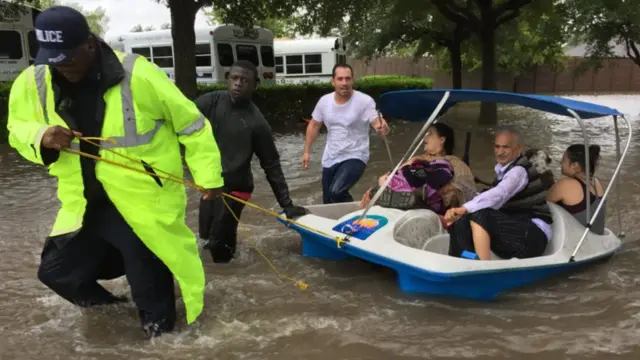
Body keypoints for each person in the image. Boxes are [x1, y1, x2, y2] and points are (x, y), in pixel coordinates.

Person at [5, 6, 224, 338]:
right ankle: (114, 313)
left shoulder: (139, 75)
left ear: (90, 44)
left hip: (141, 204)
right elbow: (16, 128)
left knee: (156, 314)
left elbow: (192, 126)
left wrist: (209, 177)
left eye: (68, 58)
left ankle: (161, 333)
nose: (60, 68)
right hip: (84, 202)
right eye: (53, 59)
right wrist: (41, 136)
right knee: (56, 272)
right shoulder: (34, 79)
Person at [194, 60, 308, 264]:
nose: (238, 84)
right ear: (228, 78)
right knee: (204, 237)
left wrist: (287, 205)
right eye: (235, 78)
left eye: (245, 80)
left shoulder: (257, 123)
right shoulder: (211, 101)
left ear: (255, 84)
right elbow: (183, 119)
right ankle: (228, 263)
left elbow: (271, 165)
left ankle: (228, 275)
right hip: (211, 184)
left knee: (219, 247)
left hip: (236, 189)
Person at [444, 126, 554, 261]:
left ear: (518, 149)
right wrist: (460, 212)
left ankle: (483, 268)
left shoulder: (519, 171)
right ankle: (466, 259)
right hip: (514, 230)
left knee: (479, 214)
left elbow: (500, 194)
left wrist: (464, 208)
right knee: (461, 220)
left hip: (532, 237)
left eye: (505, 147)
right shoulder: (503, 170)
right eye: (497, 147)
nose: (500, 152)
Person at [302, 63, 390, 204]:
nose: (344, 83)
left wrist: (382, 127)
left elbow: (376, 121)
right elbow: (314, 125)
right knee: (329, 201)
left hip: (356, 155)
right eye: (340, 79)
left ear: (353, 80)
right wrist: (306, 151)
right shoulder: (324, 101)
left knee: (337, 192)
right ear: (333, 81)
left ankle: (357, 214)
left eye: (348, 79)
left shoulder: (364, 101)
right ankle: (336, 223)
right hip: (330, 157)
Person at [360, 123, 477, 212]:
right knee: (373, 192)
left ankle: (415, 197)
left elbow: (464, 190)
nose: (425, 137)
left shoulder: (453, 161)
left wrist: (435, 190)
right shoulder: (416, 158)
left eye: (430, 133)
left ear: (442, 139)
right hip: (402, 193)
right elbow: (396, 174)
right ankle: (402, 196)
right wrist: (381, 184)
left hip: (432, 203)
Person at [546, 144, 605, 234]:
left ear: (575, 165)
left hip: (576, 242)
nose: (560, 163)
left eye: (563, 160)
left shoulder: (565, 184)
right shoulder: (596, 182)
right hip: (596, 238)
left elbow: (543, 202)